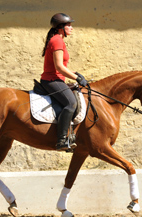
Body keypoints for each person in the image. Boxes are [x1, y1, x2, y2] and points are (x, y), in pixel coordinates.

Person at [40, 13, 88, 151]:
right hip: (51, 80)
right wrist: (76, 78)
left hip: (56, 79)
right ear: (61, 27)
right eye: (69, 25)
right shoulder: (57, 41)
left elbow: (62, 67)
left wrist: (76, 73)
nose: (71, 28)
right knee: (71, 103)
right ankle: (61, 140)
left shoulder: (58, 39)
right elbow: (59, 67)